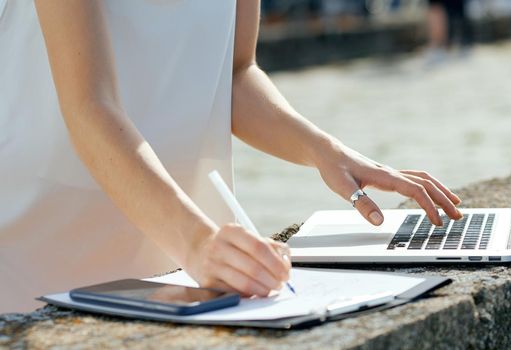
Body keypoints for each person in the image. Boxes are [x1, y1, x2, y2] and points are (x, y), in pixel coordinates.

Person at [0, 0, 462, 313]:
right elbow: (88, 105)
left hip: (182, 237)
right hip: (46, 233)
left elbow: (237, 74)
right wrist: (196, 240)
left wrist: (327, 152)